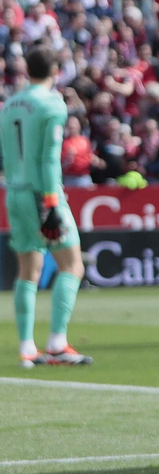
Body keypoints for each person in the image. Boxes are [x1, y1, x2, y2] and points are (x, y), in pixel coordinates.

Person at [2, 46, 90, 368]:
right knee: (72, 265)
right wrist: (52, 203)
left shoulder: (10, 103)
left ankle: (27, 348)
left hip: (14, 191)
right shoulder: (52, 103)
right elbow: (50, 157)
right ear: (54, 71)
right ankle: (56, 343)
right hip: (43, 194)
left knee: (28, 270)